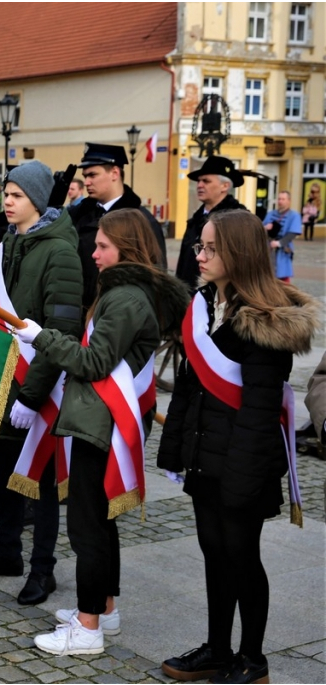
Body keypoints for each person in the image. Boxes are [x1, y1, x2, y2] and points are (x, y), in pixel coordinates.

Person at [14, 209, 189, 656]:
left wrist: (42, 339)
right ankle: (103, 609)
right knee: (100, 521)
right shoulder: (125, 291)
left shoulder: (126, 297)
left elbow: (94, 363)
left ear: (126, 249)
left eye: (103, 246)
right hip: (99, 417)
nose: (93, 254)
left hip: (102, 421)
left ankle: (88, 627)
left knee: (88, 525)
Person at [157, 210, 318, 684]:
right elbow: (188, 386)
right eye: (199, 247)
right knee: (213, 552)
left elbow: (259, 411)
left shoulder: (266, 322)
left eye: (210, 249)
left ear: (239, 254)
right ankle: (217, 648)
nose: (200, 257)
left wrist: (243, 481)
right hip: (204, 455)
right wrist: (174, 452)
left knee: (242, 555)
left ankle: (252, 659)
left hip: (242, 462)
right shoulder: (205, 305)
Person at [0, 160, 84, 608]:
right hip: (2, 383)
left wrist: (33, 395)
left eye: (14, 196)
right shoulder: (3, 244)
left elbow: (63, 330)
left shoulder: (61, 253)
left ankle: (42, 569)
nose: (6, 202)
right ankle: (8, 552)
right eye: (6, 195)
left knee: (43, 483)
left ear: (36, 200)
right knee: (9, 474)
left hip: (42, 389)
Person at [68, 143, 167, 309]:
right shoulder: (79, 215)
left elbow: (156, 275)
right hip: (81, 312)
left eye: (92, 175)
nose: (86, 182)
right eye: (85, 176)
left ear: (115, 173)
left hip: (121, 312)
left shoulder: (141, 220)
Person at [174, 156, 246, 293]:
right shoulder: (196, 219)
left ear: (224, 186)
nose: (200, 185)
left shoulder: (238, 219)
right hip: (189, 297)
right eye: (199, 181)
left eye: (206, 181)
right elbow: (184, 263)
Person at [262, 190, 302, 282]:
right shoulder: (271, 213)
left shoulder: (294, 215)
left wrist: (279, 243)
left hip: (282, 248)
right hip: (268, 247)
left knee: (282, 275)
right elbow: (261, 227)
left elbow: (293, 233)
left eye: (283, 199)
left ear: (289, 201)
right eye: (279, 199)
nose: (280, 201)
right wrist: (265, 227)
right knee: (267, 274)